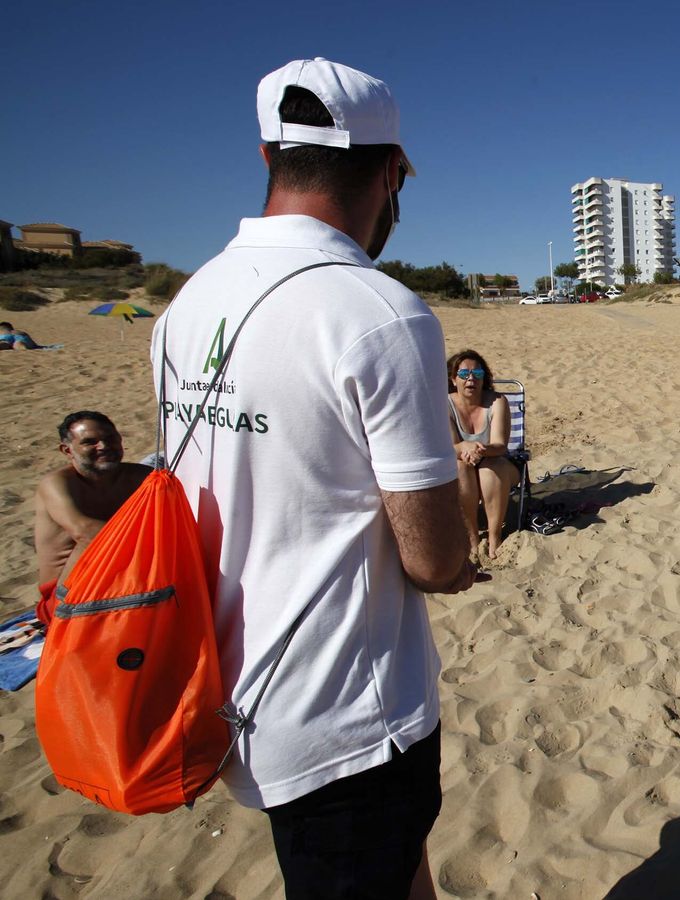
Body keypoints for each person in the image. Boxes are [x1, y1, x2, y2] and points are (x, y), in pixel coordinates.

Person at [151, 59, 475, 899]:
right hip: (347, 719)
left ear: (267, 158)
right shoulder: (380, 313)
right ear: (391, 172)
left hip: (227, 687)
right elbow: (435, 561)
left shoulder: (188, 305)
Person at [33, 411, 151, 626]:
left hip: (125, 581)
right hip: (66, 600)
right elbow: (85, 532)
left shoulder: (142, 477)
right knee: (91, 539)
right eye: (90, 442)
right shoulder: (57, 484)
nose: (103, 446)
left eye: (110, 439)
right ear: (67, 450)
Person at [446, 349, 519, 560]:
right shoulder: (444, 404)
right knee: (460, 468)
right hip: (463, 463)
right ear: (453, 379)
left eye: (477, 374)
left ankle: (495, 535)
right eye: (464, 374)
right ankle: (472, 537)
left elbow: (500, 445)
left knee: (490, 468)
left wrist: (479, 449)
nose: (471, 379)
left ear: (484, 378)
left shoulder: (497, 402)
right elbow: (452, 447)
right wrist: (465, 448)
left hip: (498, 463)